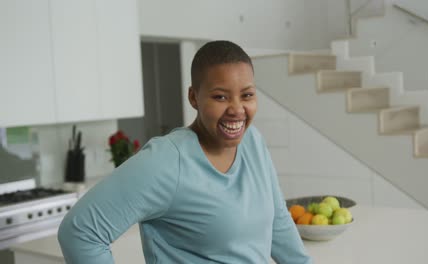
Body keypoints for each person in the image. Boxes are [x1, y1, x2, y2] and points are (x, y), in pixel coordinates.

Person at [58, 40, 313, 264]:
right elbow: (81, 232)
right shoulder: (166, 161)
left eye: (247, 95)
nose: (237, 109)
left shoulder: (253, 141)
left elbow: (277, 218)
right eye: (220, 97)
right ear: (194, 97)